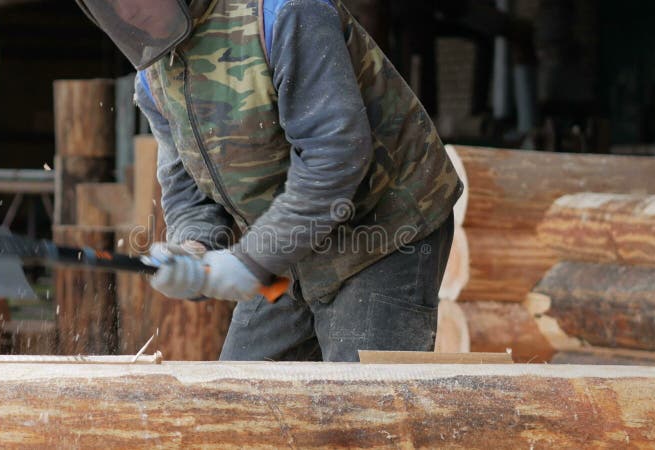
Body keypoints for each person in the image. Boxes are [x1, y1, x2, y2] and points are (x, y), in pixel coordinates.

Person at [75, 0, 463, 362]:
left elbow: (335, 156)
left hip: (383, 232)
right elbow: (184, 181)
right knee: (241, 406)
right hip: (286, 243)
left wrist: (252, 260)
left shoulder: (284, 12)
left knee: (359, 416)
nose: (126, 10)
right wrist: (193, 244)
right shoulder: (152, 72)